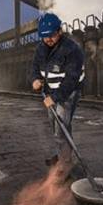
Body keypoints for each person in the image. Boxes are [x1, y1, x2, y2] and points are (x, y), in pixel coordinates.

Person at [31, 13, 85, 177]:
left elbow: (71, 79)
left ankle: (65, 165)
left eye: (51, 36)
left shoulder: (72, 49)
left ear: (59, 31)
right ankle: (63, 154)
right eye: (44, 37)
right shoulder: (41, 48)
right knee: (56, 125)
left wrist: (55, 98)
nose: (48, 40)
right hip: (50, 92)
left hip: (68, 92)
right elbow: (34, 67)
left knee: (60, 128)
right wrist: (34, 80)